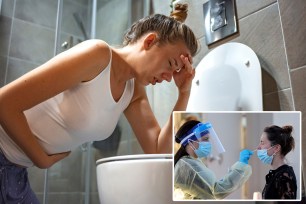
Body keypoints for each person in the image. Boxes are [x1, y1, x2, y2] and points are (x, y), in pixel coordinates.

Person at [0, 4, 198, 203]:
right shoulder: (98, 55)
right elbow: (4, 102)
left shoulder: (133, 90)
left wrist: (183, 93)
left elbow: (158, 151)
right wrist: (41, 160)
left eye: (175, 73)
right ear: (150, 41)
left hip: (15, 171)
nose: (168, 78)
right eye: (171, 65)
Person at [174, 120, 253, 200]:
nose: (208, 143)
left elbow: (210, 187)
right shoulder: (188, 167)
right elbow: (216, 192)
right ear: (190, 141)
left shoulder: (190, 161)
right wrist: (241, 166)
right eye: (205, 139)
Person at [256, 125, 297, 199]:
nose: (258, 147)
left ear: (276, 148)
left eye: (262, 142)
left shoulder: (284, 176)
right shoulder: (276, 175)